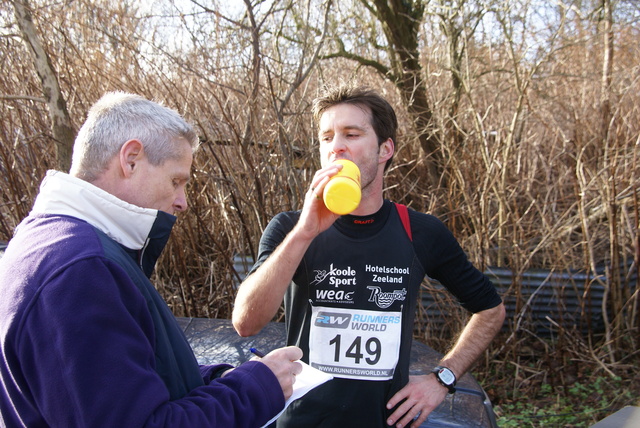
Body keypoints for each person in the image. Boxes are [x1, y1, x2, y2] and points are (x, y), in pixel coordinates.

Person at [0, 92, 302, 428]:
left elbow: (129, 379)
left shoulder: (52, 242)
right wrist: (255, 388)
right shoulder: (81, 271)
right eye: (176, 181)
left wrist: (220, 378)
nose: (182, 202)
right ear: (130, 159)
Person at [232, 84, 506, 428]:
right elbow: (245, 323)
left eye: (352, 134)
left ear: (384, 149)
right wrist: (303, 233)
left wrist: (443, 378)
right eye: (327, 137)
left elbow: (490, 309)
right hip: (301, 421)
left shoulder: (418, 231)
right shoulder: (290, 227)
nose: (337, 147)